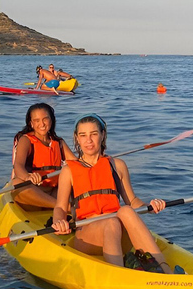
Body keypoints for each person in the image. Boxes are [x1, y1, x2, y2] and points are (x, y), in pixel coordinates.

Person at [51, 113, 173, 274]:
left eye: (94, 134)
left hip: (119, 236)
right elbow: (60, 206)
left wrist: (150, 206)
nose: (88, 140)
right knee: (112, 222)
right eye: (83, 135)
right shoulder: (68, 171)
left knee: (126, 211)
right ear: (77, 138)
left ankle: (165, 272)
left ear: (102, 135)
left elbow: (133, 201)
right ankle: (119, 276)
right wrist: (59, 221)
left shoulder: (118, 165)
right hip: (88, 235)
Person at [12, 103, 77, 209]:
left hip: (54, 192)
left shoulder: (58, 142)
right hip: (34, 193)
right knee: (17, 183)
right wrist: (28, 177)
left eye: (45, 119)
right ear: (31, 123)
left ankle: (64, 207)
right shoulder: (26, 140)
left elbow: (76, 163)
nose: (42, 124)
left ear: (51, 120)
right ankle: (65, 208)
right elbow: (18, 166)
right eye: (37, 120)